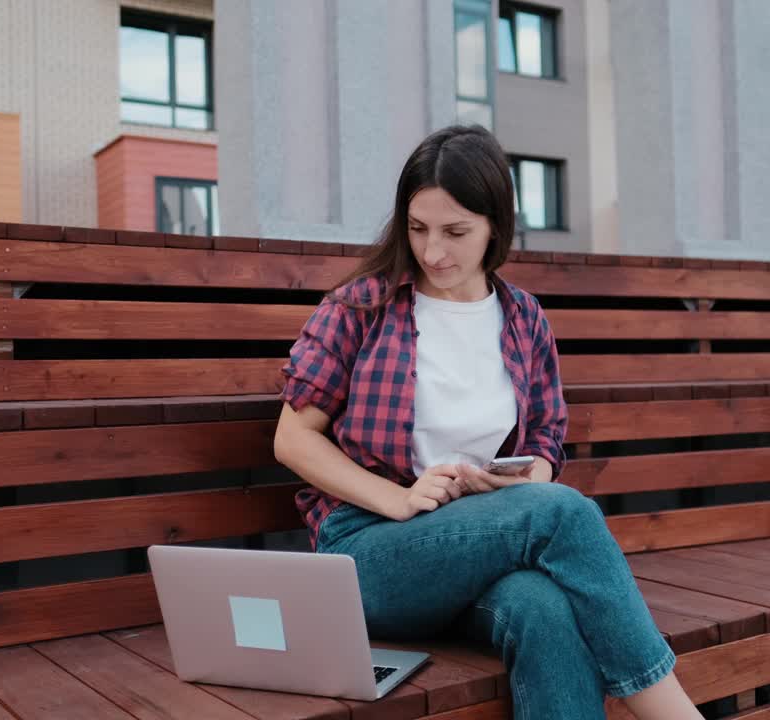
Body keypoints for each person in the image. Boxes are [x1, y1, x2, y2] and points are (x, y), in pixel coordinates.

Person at [273, 125, 704, 720]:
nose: (432, 252)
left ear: (495, 225)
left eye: (456, 232)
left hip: (481, 550)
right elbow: (292, 438)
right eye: (418, 229)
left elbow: (548, 436)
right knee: (564, 510)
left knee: (546, 611)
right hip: (369, 555)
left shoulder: (523, 318)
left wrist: (523, 478)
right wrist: (398, 500)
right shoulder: (361, 307)